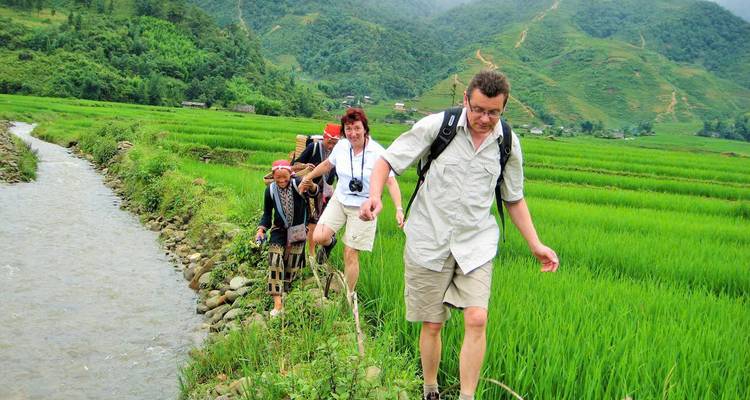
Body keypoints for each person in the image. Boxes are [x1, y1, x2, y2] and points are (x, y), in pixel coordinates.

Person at [360, 70, 559, 400]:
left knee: (478, 318)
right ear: (466, 99)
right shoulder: (439, 126)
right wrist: (375, 196)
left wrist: (535, 244)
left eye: (493, 112)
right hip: (428, 238)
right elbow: (386, 162)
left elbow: (513, 197)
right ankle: (430, 389)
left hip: (476, 243)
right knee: (433, 324)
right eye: (478, 109)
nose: (484, 118)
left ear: (503, 109)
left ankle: (467, 397)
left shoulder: (507, 143)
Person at [300, 108, 404, 294]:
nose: (353, 133)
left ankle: (348, 296)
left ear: (365, 129)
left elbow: (391, 181)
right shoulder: (341, 146)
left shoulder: (378, 153)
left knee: (350, 253)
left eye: (357, 128)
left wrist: (398, 208)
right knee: (319, 237)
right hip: (340, 200)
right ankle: (330, 242)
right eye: (348, 129)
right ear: (344, 131)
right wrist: (309, 177)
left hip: (363, 208)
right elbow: (327, 164)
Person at [256, 160, 318, 317]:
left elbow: (314, 193)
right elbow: (267, 214)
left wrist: (311, 186)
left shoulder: (298, 183)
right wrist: (261, 229)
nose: (282, 181)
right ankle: (278, 303)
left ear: (290, 175)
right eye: (278, 178)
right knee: (275, 260)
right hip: (279, 230)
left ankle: (287, 288)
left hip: (297, 230)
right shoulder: (270, 191)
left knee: (291, 266)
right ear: (273, 177)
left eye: (285, 177)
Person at [293, 123, 340, 263]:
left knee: (321, 222)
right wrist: (306, 166)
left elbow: (339, 174)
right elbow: (296, 164)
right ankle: (311, 254)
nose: (331, 145)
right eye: (329, 141)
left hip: (326, 194)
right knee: (311, 222)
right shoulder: (313, 148)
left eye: (334, 143)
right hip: (309, 190)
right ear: (324, 137)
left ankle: (323, 247)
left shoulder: (339, 153)